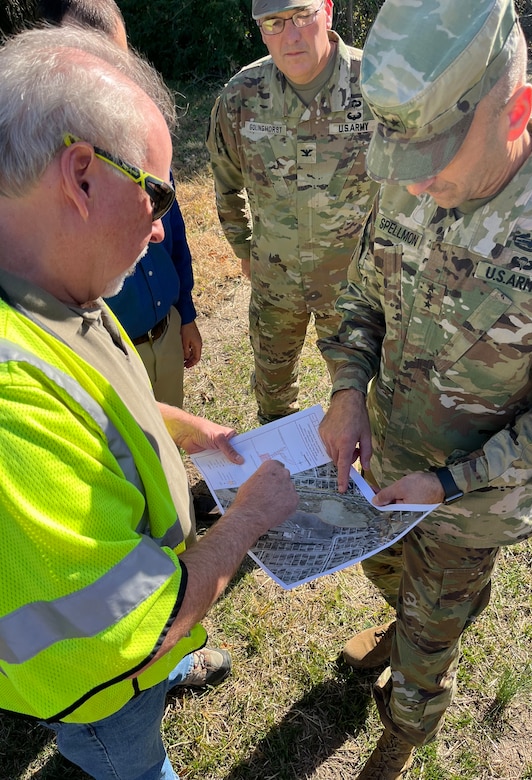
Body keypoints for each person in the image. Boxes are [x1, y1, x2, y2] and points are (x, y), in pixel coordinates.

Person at [0, 25, 298, 780]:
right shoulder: (9, 405)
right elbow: (136, 626)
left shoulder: (54, 286)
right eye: (157, 191)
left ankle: (169, 680)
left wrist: (179, 426)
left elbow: (93, 408)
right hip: (101, 691)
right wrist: (249, 521)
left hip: (143, 651)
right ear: (81, 175)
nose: (164, 224)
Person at [318, 0, 532, 777]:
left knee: (433, 635)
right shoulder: (411, 174)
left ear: (517, 113)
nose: (415, 181)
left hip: (468, 503)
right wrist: (345, 390)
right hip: (383, 474)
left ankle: (404, 732)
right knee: (390, 580)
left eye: (436, 159)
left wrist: (447, 483)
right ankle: (399, 625)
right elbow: (361, 298)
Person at [206, 0, 379, 424]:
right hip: (275, 282)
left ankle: (365, 483)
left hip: (355, 288)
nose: (292, 34)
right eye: (275, 23)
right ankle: (283, 472)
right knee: (273, 393)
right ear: (262, 30)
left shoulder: (377, 84)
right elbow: (225, 182)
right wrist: (244, 248)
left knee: (364, 401)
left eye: (303, 15)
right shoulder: (241, 97)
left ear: (328, 11)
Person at [37, 0, 203, 409]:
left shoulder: (140, 134)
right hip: (103, 359)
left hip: (165, 334)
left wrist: (186, 311)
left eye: (120, 61)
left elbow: (174, 234)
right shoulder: (32, 175)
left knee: (166, 459)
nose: (115, 78)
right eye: (97, 61)